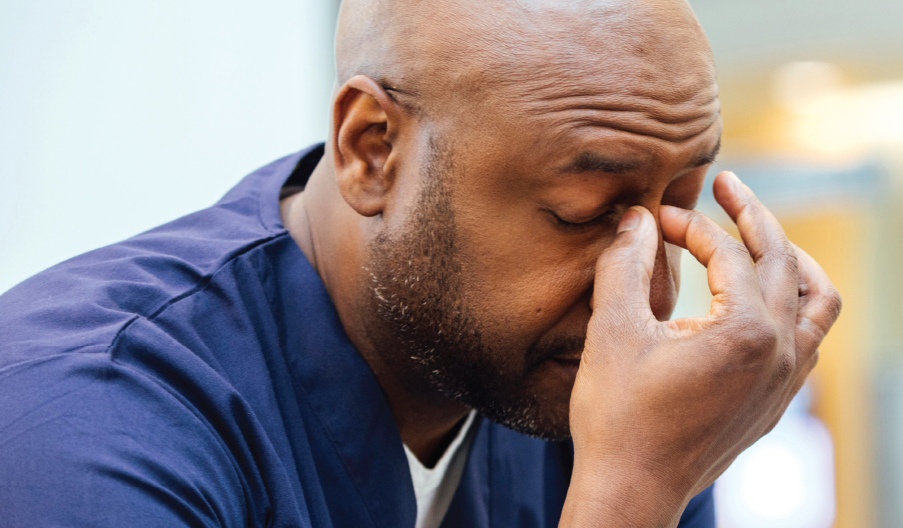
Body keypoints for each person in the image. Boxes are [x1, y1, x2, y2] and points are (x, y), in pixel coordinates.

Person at [0, 0, 842, 526]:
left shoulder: (601, 396)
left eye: (676, 209)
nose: (648, 289)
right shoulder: (82, 424)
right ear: (373, 151)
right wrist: (627, 499)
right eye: (581, 214)